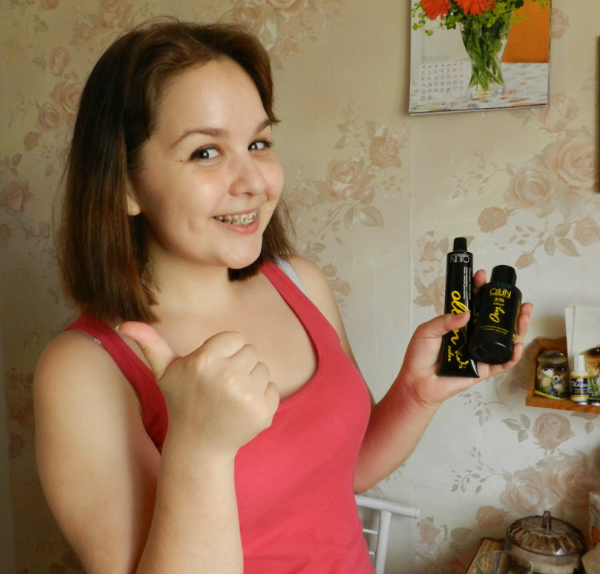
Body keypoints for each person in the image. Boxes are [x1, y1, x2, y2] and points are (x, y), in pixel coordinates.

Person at [33, 19, 532, 574]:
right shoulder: (82, 369)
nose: (254, 181)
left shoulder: (299, 283)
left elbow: (344, 473)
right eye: (205, 152)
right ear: (125, 184)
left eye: (258, 143)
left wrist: (417, 392)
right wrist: (200, 448)